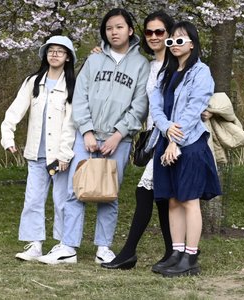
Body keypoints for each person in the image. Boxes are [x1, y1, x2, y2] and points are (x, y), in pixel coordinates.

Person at [38, 8, 150, 265]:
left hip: (118, 141)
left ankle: (103, 247)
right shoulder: (94, 60)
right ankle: (68, 246)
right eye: (109, 28)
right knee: (75, 190)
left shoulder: (141, 65)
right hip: (86, 137)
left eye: (119, 27)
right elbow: (81, 97)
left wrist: (118, 134)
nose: (114, 32)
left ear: (130, 30)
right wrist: (86, 130)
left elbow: (140, 104)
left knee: (108, 193)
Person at [101, 11, 175, 271]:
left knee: (146, 191)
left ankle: (129, 252)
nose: (154, 37)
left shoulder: (176, 65)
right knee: (161, 196)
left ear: (169, 34)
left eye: (160, 32)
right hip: (154, 136)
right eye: (150, 32)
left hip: (172, 136)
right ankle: (170, 252)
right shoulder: (150, 65)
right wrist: (100, 54)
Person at [149, 21, 221, 277]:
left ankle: (191, 258)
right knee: (172, 201)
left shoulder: (201, 72)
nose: (175, 45)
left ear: (192, 43)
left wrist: (175, 140)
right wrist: (167, 130)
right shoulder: (165, 74)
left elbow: (193, 110)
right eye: (172, 41)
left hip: (189, 145)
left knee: (189, 200)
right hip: (167, 141)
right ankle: (176, 253)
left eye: (181, 40)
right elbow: (156, 107)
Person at [1, 35, 77, 261]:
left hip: (60, 156)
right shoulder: (33, 81)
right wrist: (8, 137)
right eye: (51, 50)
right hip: (36, 154)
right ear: (45, 54)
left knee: (61, 200)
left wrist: (65, 154)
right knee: (33, 199)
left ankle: (64, 244)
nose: (54, 54)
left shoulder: (72, 84)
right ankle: (35, 244)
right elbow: (14, 111)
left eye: (60, 51)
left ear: (67, 57)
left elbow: (71, 122)